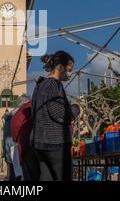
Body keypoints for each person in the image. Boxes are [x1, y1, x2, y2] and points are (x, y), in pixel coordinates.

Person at [30, 51, 75, 181]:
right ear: (60, 67)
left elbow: (34, 111)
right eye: (69, 70)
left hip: (40, 142)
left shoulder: (40, 85)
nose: (69, 74)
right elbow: (59, 113)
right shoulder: (53, 85)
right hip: (55, 142)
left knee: (46, 177)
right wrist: (77, 109)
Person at [11, 96, 40, 181]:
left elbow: (16, 122)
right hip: (53, 146)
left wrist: (16, 139)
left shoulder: (28, 106)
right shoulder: (56, 104)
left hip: (27, 145)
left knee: (30, 174)